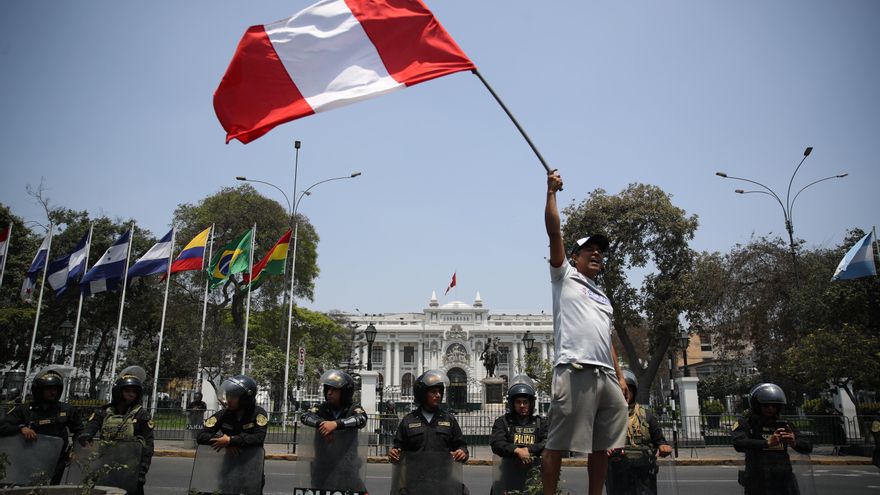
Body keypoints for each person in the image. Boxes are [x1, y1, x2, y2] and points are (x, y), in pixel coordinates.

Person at [543, 169, 629, 495]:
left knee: (603, 446)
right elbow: (553, 233)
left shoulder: (603, 297)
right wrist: (551, 192)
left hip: (606, 376)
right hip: (575, 368)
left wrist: (620, 376)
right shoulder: (563, 276)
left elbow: (607, 338)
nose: (597, 253)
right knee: (558, 443)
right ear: (574, 257)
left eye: (600, 251)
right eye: (589, 249)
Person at [389, 370, 469, 493]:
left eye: (439, 392)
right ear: (422, 394)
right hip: (415, 484)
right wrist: (394, 453)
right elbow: (398, 447)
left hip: (443, 482)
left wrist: (462, 452)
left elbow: (461, 445)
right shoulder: (408, 421)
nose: (438, 395)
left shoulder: (449, 420)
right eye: (433, 392)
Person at [79, 366, 154, 495]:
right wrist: (86, 436)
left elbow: (148, 447)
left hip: (130, 468)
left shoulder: (142, 415)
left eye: (134, 392)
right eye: (127, 391)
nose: (131, 394)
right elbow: (90, 427)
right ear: (119, 392)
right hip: (105, 466)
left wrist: (141, 472)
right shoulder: (104, 412)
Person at [0, 369, 83, 484]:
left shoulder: (66, 409)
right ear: (38, 390)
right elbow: (3, 426)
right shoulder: (25, 410)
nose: (52, 392)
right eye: (48, 389)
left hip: (56, 460)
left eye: (55, 389)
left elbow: (80, 431)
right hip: (29, 459)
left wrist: (75, 450)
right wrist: (21, 429)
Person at [732, 383, 812, 495]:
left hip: (783, 480)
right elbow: (739, 443)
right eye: (766, 405)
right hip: (758, 480)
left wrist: (794, 442)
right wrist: (767, 443)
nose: (770, 408)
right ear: (757, 405)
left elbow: (807, 445)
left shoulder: (784, 424)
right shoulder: (746, 423)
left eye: (774, 406)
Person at [605, 369, 672, 495]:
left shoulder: (646, 416)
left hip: (644, 473)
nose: (625, 393)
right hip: (617, 473)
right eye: (621, 389)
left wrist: (663, 447)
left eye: (628, 390)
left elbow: (660, 440)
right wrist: (605, 448)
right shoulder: (607, 418)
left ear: (634, 392)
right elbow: (598, 442)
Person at [300, 369, 368, 491]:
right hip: (322, 468)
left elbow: (362, 419)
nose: (329, 393)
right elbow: (305, 417)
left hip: (347, 469)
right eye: (328, 389)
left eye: (334, 390)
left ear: (345, 392)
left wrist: (336, 424)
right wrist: (323, 425)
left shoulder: (353, 408)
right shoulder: (322, 408)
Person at [490, 375, 547, 495]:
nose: (522, 405)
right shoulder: (503, 422)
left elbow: (548, 441)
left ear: (531, 404)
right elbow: (497, 443)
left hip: (534, 478)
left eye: (525, 402)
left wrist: (529, 449)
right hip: (508, 477)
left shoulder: (540, 422)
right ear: (512, 403)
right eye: (518, 402)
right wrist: (516, 450)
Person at [197, 375, 268, 451]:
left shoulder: (258, 414)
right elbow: (201, 435)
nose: (228, 400)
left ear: (245, 398)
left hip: (251, 459)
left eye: (233, 397)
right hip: (228, 460)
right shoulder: (223, 414)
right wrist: (224, 442)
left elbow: (258, 438)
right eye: (228, 396)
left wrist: (232, 440)